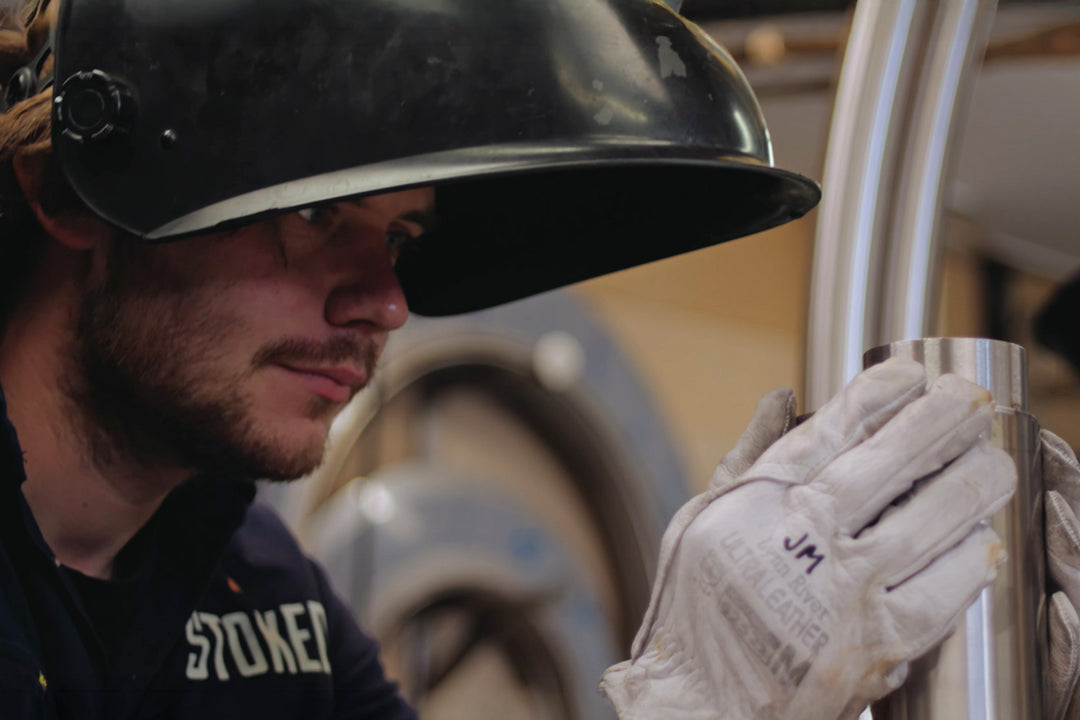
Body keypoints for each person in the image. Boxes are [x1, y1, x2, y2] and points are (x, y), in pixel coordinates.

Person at [0, 0, 1071, 718]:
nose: (383, 301)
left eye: (404, 239)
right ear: (66, 197)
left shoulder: (256, 584)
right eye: (318, 213)